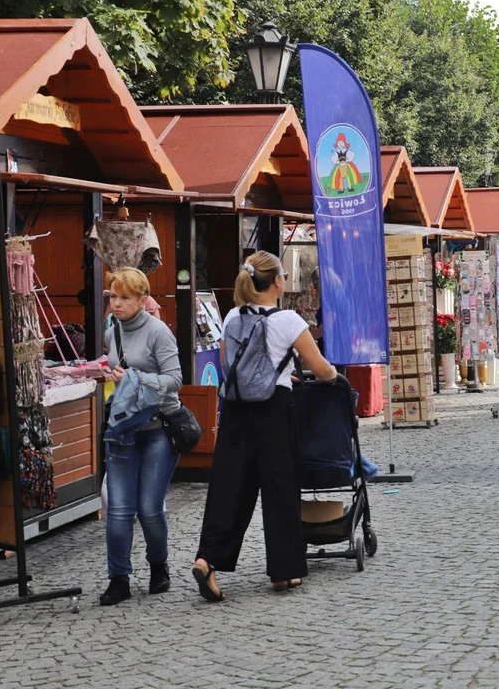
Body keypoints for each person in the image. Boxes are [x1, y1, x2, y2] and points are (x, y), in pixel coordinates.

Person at [193, 251, 338, 601]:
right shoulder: (287, 320)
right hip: (274, 410)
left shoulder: (231, 317)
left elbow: (229, 363)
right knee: (280, 489)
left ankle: (207, 560)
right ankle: (284, 572)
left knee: (229, 489)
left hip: (236, 412)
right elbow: (319, 368)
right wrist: (333, 376)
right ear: (276, 282)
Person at [100, 268, 183, 606]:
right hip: (122, 430)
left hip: (157, 429)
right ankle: (118, 578)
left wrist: (136, 380)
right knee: (119, 510)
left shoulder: (158, 332)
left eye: (124, 298)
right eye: (113, 297)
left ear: (142, 300)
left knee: (149, 508)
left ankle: (158, 565)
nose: (116, 304)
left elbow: (175, 380)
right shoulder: (111, 333)